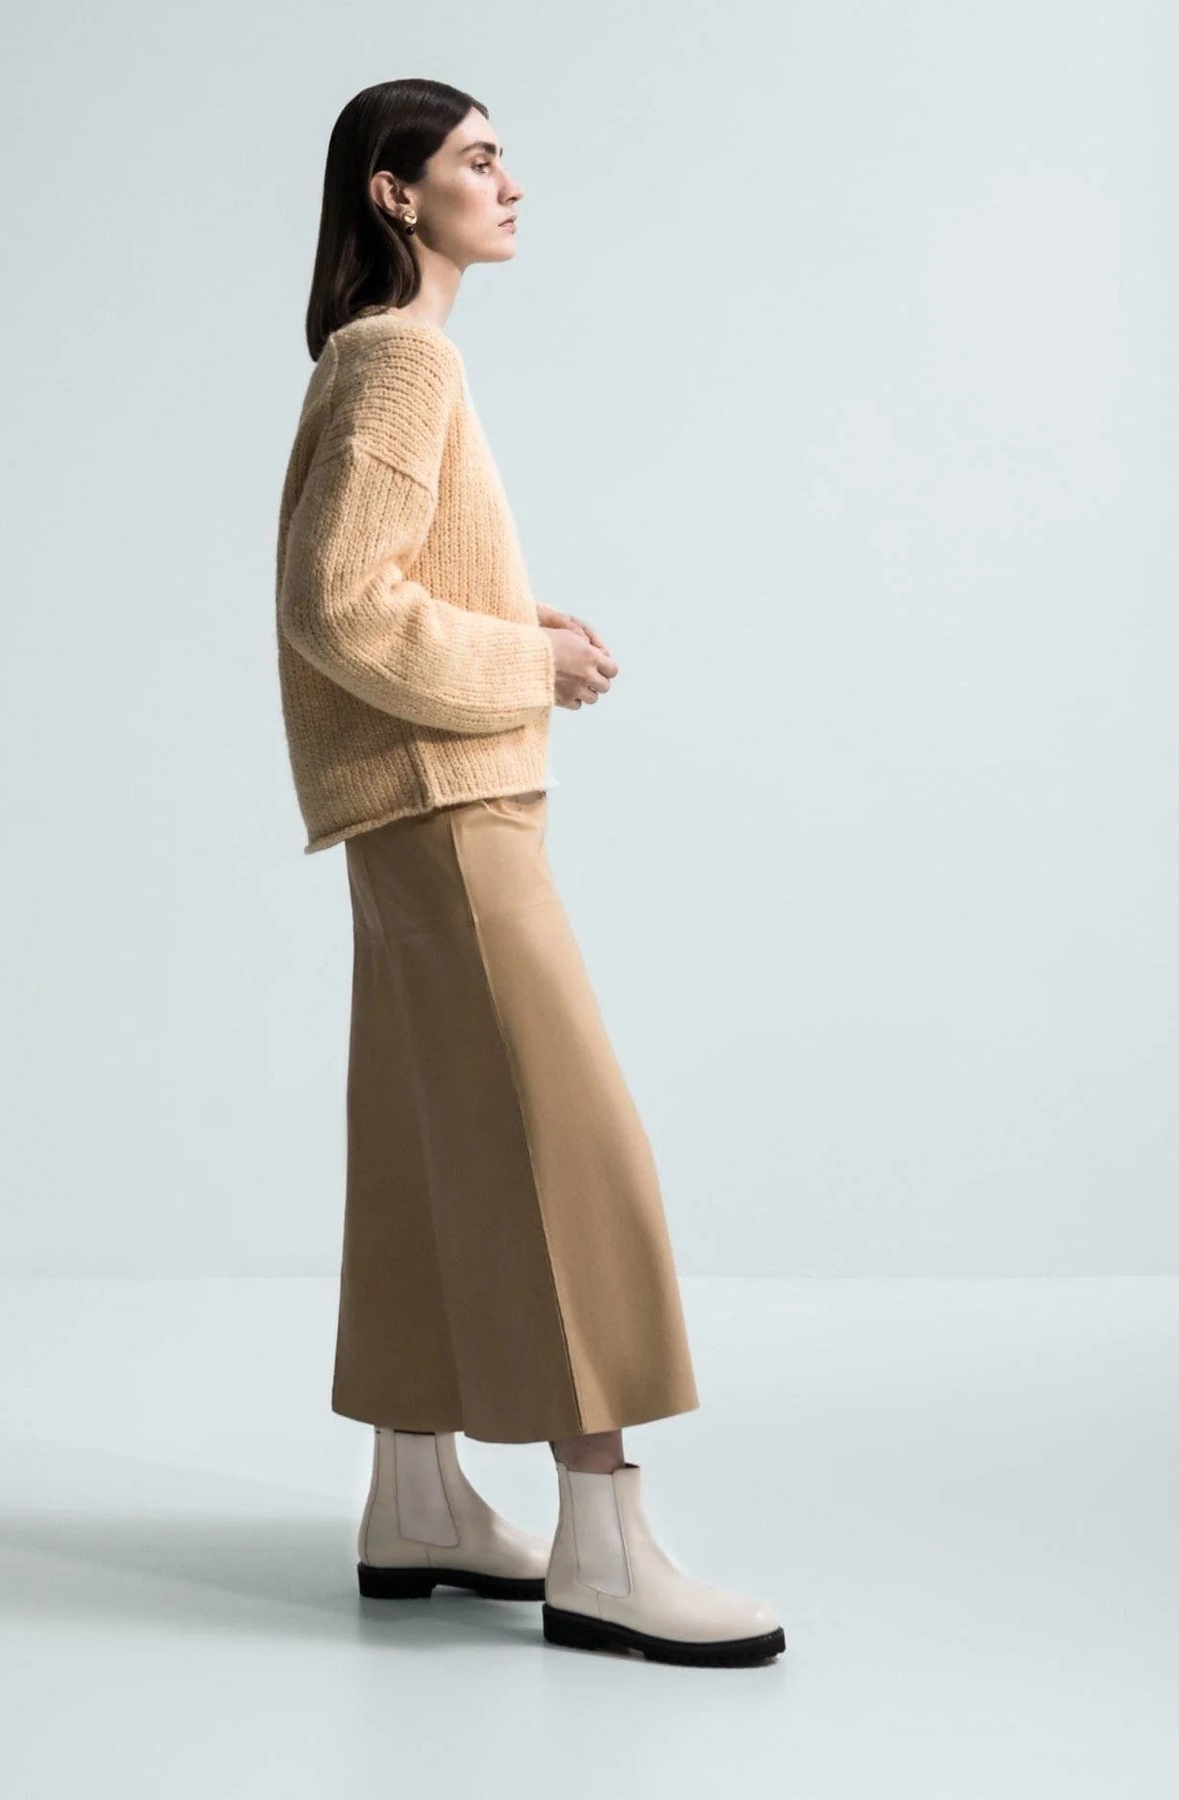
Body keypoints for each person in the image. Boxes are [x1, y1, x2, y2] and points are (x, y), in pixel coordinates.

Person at [273, 76, 785, 1668]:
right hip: (452, 809)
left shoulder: (379, 356)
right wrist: (528, 666)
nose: (509, 183)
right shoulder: (405, 358)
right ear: (395, 193)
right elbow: (339, 604)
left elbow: (385, 585)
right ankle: (605, 1545)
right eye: (477, 159)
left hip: (408, 810)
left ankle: (418, 1500)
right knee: (573, 1158)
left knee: (427, 1152)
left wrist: (517, 619)